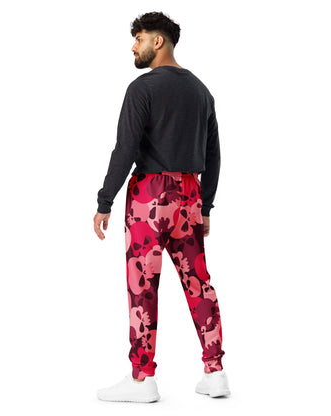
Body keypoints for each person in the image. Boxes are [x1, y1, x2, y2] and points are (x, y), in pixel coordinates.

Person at [94, 11, 230, 402]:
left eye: (138, 38)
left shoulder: (142, 88)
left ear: (158, 41)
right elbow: (213, 155)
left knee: (143, 286)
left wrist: (105, 199)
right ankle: (215, 372)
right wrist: (206, 206)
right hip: (189, 195)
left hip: (149, 196)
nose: (133, 47)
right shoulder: (201, 91)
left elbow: (126, 147)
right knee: (198, 283)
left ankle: (142, 380)